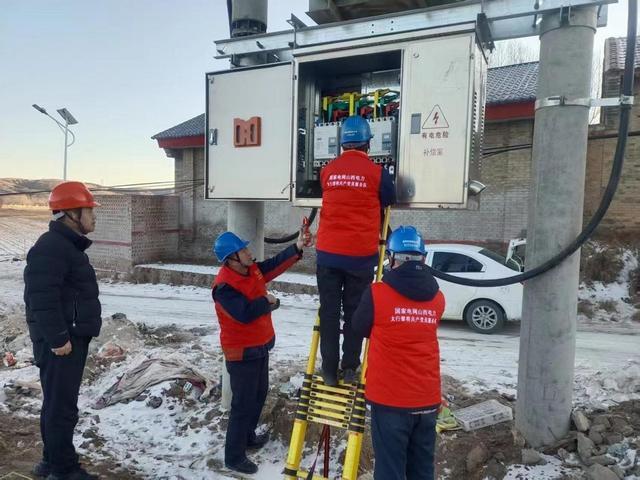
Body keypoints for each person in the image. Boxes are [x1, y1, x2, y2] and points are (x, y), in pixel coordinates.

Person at [212, 227, 310, 475]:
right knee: (242, 404)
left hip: (260, 346)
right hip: (242, 353)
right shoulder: (223, 287)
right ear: (231, 258)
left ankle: (248, 437)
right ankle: (234, 457)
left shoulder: (251, 269)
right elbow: (244, 313)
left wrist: (297, 247)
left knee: (258, 395)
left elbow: (273, 266)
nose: (248, 252)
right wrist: (267, 302)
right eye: (243, 250)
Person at [352, 226, 445, 480]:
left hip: (390, 401)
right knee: (422, 471)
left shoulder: (377, 293)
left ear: (392, 258)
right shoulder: (438, 298)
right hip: (426, 400)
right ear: (422, 258)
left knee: (390, 471)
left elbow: (359, 327)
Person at [24, 181, 102, 480]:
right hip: (62, 341)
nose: (94, 217)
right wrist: (58, 339)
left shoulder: (64, 246)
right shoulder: (51, 247)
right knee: (62, 408)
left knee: (56, 404)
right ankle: (63, 469)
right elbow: (40, 297)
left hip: (67, 337)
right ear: (71, 214)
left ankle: (50, 462)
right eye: (89, 210)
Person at [315, 114, 396, 386]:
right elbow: (390, 198)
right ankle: (349, 367)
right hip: (360, 259)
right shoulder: (378, 173)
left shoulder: (327, 170)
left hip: (327, 255)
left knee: (328, 313)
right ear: (368, 144)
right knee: (354, 313)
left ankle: (329, 371)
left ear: (342, 143)